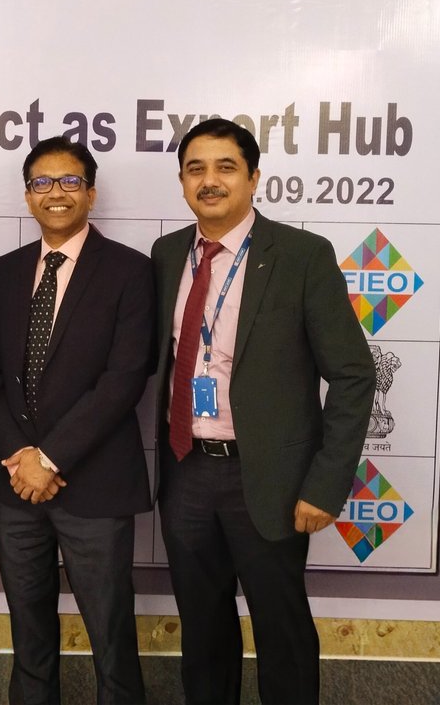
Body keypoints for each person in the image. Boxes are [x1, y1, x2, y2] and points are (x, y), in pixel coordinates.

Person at [152, 118, 375, 705]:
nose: (210, 181)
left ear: (253, 178)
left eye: (226, 167)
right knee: (202, 631)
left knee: (282, 632)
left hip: (270, 477)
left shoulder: (301, 255)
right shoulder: (168, 254)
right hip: (184, 470)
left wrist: (325, 485)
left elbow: (353, 375)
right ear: (182, 181)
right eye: (196, 169)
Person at [0, 137, 155, 704]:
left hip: (95, 485)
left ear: (91, 193)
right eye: (42, 182)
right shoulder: (7, 271)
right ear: (28, 195)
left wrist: (50, 459)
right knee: (28, 635)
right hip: (16, 487)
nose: (55, 192)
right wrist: (21, 460)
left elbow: (125, 378)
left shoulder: (130, 270)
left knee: (111, 636)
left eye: (70, 181)